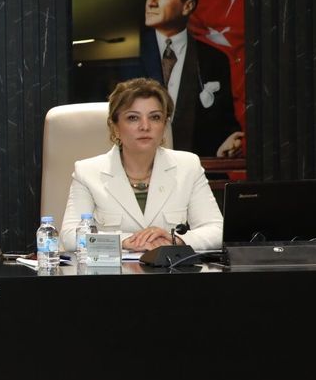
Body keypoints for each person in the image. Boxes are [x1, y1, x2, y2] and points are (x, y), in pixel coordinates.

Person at [61, 78, 223, 253]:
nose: (145, 126)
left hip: (169, 268)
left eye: (155, 117)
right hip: (112, 270)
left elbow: (217, 230)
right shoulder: (87, 172)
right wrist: (126, 241)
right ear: (115, 127)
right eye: (133, 118)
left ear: (164, 125)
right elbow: (70, 236)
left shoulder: (188, 166)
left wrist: (175, 240)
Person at [138, 0, 243, 158]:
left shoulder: (213, 59)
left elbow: (224, 123)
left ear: (187, 6)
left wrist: (228, 142)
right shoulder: (130, 53)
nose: (151, 2)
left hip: (196, 168)